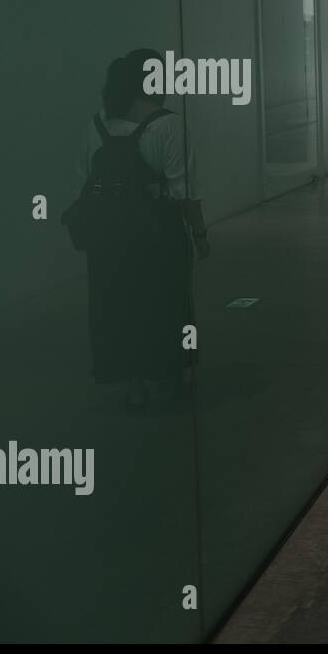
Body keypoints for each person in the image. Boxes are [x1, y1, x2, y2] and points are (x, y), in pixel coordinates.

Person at [74, 49, 209, 407]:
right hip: (157, 231)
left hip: (106, 235)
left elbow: (85, 177)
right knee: (165, 302)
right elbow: (185, 192)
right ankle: (167, 377)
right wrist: (200, 235)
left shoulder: (97, 124)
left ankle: (133, 384)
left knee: (116, 303)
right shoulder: (169, 124)